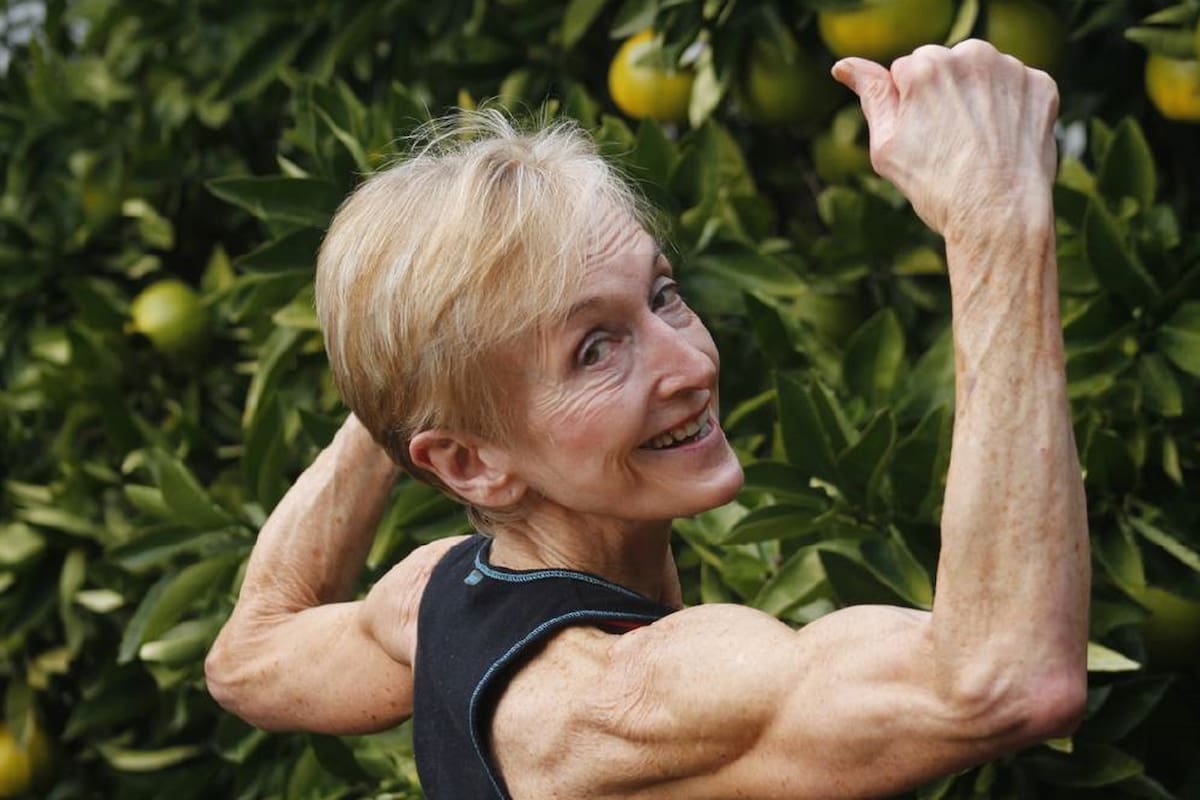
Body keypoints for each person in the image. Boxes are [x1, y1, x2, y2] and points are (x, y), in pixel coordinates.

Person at [206, 40, 1090, 799]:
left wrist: (400, 382)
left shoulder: (435, 597)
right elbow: (1001, 680)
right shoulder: (610, 698)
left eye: (662, 297)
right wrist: (997, 222)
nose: (691, 365)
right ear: (471, 467)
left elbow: (249, 655)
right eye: (595, 349)